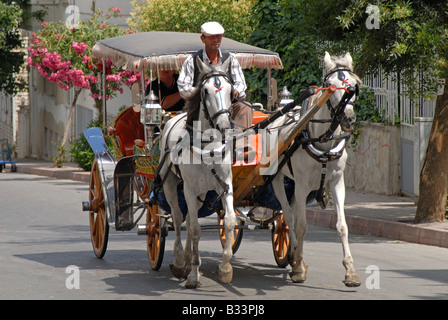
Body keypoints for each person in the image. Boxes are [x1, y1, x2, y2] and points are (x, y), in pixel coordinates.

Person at [177, 21, 253, 129]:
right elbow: (183, 87)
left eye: (219, 36)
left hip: (228, 106)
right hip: (201, 107)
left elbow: (241, 84)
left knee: (245, 107)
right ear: (203, 39)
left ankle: (239, 143)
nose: (216, 40)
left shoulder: (230, 59)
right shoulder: (192, 60)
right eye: (211, 37)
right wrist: (204, 93)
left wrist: (233, 92)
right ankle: (193, 141)